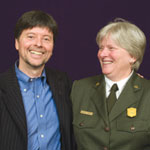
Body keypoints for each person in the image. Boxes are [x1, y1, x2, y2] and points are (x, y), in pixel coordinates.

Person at [0, 10, 75, 150]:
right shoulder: (2, 86)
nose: (39, 44)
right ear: (17, 43)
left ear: (52, 46)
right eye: (31, 36)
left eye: (46, 39)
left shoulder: (64, 83)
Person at [71, 18, 150, 150]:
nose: (102, 54)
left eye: (111, 48)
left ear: (133, 56)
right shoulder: (79, 89)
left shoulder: (147, 93)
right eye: (101, 48)